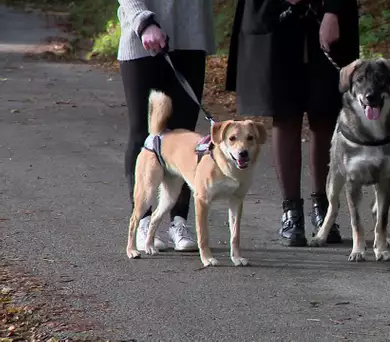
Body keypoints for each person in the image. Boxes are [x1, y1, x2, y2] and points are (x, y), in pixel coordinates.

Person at [225, 0, 360, 247]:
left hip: (326, 12)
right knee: (285, 111)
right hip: (273, 15)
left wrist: (333, 10)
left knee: (326, 111)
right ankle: (291, 213)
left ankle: (324, 210)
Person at [116, 0, 215, 252]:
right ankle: (143, 220)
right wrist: (144, 21)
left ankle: (179, 221)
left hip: (191, 36)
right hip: (141, 39)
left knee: (184, 138)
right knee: (144, 135)